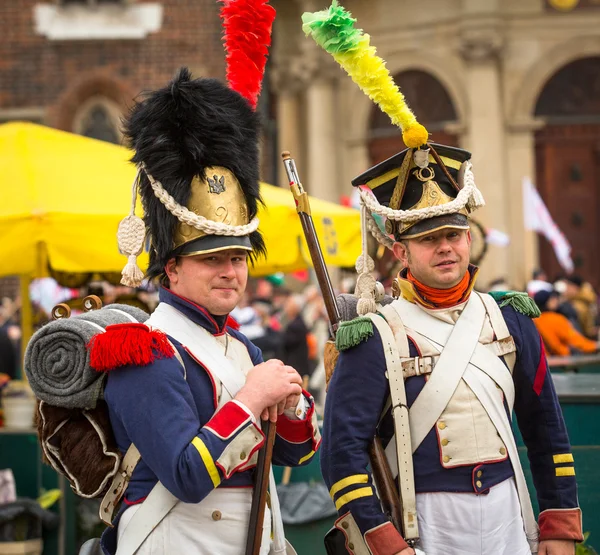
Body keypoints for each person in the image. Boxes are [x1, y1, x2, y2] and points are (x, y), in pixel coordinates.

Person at [302, 3, 582, 554]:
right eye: (430, 239)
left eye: (454, 235)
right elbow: (341, 453)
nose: (447, 248)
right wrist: (385, 541)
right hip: (425, 523)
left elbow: (546, 430)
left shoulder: (512, 320)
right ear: (402, 249)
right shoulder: (373, 337)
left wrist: (560, 528)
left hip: (508, 514)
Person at [95, 67, 321, 555]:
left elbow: (297, 452)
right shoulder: (143, 351)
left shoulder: (241, 348)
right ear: (171, 270)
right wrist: (251, 400)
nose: (229, 271)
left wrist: (292, 402)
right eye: (211, 259)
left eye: (237, 258)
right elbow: (186, 476)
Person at [533, 289, 598, 356]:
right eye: (552, 298)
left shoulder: (533, 320)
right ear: (548, 302)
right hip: (560, 362)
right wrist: (595, 346)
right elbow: (576, 341)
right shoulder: (556, 319)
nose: (555, 300)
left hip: (541, 361)